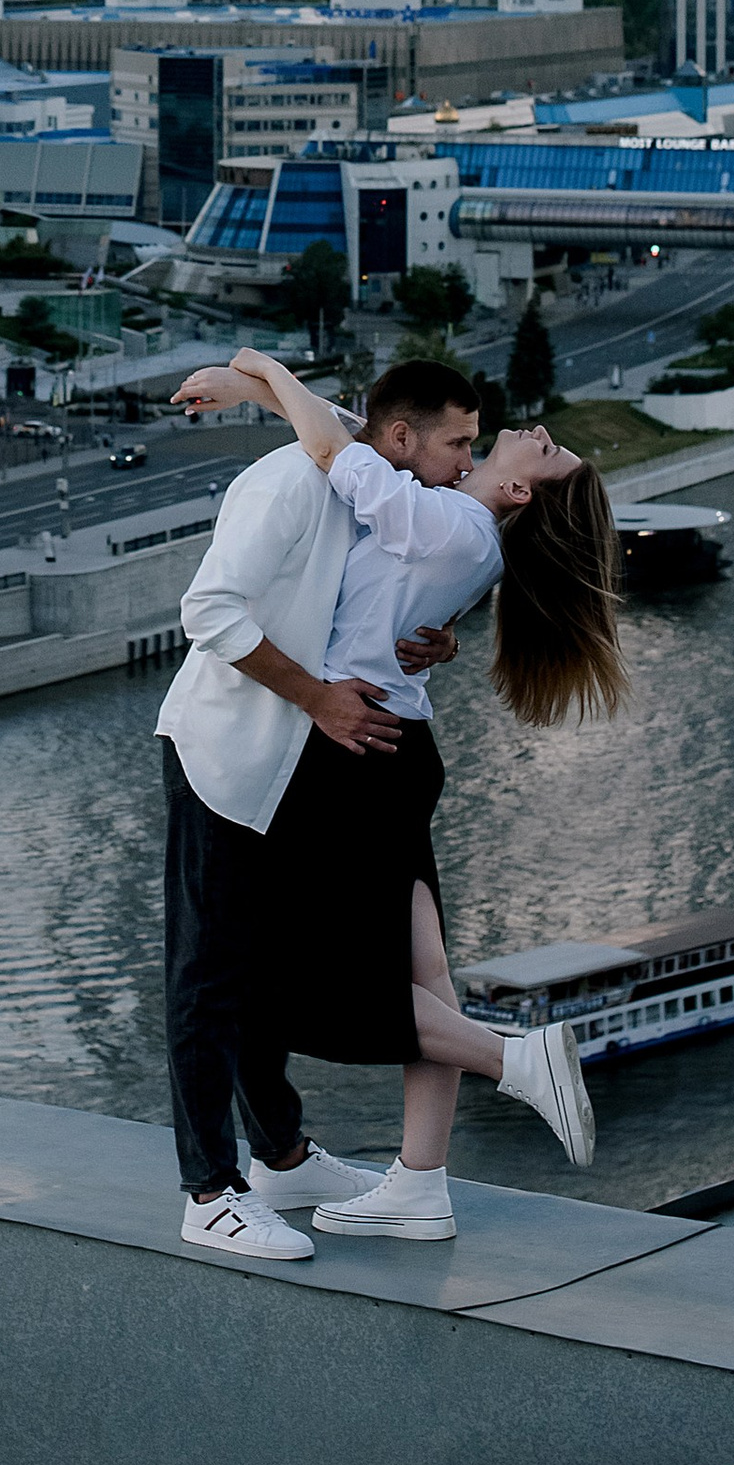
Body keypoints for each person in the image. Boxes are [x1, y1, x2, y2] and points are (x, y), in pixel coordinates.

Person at [158, 346, 623, 1255]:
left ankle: (323, 1152)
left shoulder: (422, 509)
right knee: (242, 974)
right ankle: (305, 1175)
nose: (515, 440)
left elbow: (355, 444)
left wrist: (263, 377)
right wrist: (253, 383)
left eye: (532, 451)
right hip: (257, 749)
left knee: (292, 984)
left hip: (344, 752)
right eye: (463, 439)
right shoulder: (333, 485)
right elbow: (337, 453)